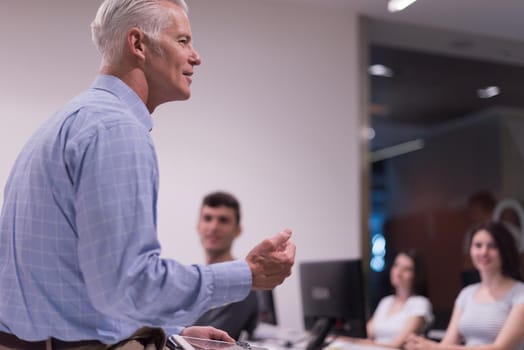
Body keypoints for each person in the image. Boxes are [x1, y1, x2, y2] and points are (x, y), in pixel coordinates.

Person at [0, 1, 296, 349]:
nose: (196, 56)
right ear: (138, 44)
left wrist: (169, 331)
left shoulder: (70, 120)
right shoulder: (116, 130)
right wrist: (248, 274)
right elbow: (131, 285)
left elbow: (93, 290)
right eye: (183, 41)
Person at [405, 221, 524, 350]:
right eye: (478, 245)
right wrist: (421, 344)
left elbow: (500, 348)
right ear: (471, 250)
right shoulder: (467, 294)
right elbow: (448, 344)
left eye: (492, 246)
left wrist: (433, 347)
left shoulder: (519, 293)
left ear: (504, 250)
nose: (484, 252)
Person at [192, 191, 260, 340]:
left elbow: (205, 343)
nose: (213, 227)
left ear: (238, 230)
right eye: (207, 218)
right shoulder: (196, 281)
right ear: (198, 226)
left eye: (223, 220)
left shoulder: (239, 284)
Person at [349, 251, 433, 348]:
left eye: (406, 269)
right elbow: (367, 333)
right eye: (396, 265)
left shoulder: (420, 303)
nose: (398, 272)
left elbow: (396, 345)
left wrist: (368, 344)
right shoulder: (386, 301)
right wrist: (341, 339)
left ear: (417, 275)